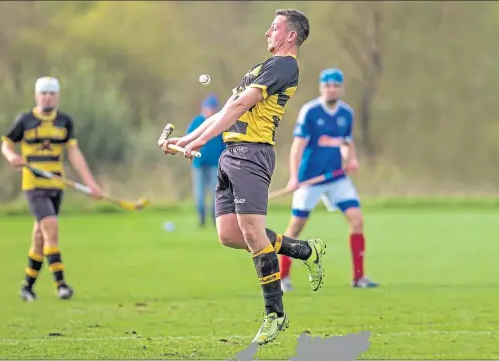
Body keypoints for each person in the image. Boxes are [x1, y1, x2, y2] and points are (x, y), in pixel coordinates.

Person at [160, 9, 323, 346]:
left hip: (252, 153)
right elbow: (226, 110)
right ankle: (305, 250)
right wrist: (188, 140)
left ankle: (275, 314)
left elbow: (238, 107)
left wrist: (201, 141)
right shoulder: (261, 67)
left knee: (251, 232)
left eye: (275, 27)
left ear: (291, 36)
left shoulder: (284, 66)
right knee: (230, 235)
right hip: (230, 154)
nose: (268, 32)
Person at [0, 76, 103, 302]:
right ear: (37, 96)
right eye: (43, 93)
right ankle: (61, 284)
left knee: (40, 236)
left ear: (57, 96)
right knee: (51, 228)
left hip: (56, 185)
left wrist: (91, 184)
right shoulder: (25, 121)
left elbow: (74, 153)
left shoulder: (65, 122)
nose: (47, 97)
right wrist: (12, 156)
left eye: (52, 93)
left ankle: (27, 288)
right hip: (34, 185)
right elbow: (6, 143)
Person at [278, 68, 379, 292]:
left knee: (357, 220)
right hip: (309, 178)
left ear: (341, 88)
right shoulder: (310, 112)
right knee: (296, 227)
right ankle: (282, 277)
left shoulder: (347, 113)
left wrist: (351, 159)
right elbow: (298, 146)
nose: (331, 89)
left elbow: (345, 142)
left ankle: (359, 278)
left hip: (336, 178)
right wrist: (294, 177)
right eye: (327, 85)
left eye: (335, 85)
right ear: (321, 87)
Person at [186, 94, 226, 227]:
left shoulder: (219, 123)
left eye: (212, 108)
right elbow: (189, 138)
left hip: (215, 163)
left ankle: (215, 219)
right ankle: (201, 218)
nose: (209, 111)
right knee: (200, 192)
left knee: (216, 192)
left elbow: (224, 143)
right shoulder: (197, 121)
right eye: (208, 108)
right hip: (198, 164)